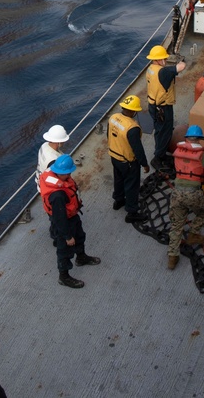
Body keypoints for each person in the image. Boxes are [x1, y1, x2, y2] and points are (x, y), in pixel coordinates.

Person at [39, 154, 101, 288]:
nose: (70, 174)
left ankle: (81, 257)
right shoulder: (57, 195)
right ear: (63, 173)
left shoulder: (57, 173)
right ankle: (64, 276)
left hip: (71, 216)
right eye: (68, 172)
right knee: (64, 250)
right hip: (64, 221)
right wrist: (67, 236)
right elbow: (59, 219)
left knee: (80, 236)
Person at [166, 125, 204, 270]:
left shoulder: (178, 152)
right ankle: (193, 234)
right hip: (193, 193)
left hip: (177, 193)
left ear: (186, 138)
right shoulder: (203, 155)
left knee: (176, 225)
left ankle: (172, 257)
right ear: (199, 139)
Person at [107, 95, 150, 223]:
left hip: (114, 157)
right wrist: (144, 164)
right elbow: (138, 149)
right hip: (128, 162)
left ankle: (118, 201)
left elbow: (108, 136)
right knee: (132, 185)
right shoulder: (132, 128)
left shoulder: (113, 118)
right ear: (133, 111)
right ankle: (132, 212)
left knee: (118, 179)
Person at [146, 45, 186, 169]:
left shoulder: (150, 69)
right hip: (163, 108)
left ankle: (161, 153)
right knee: (165, 132)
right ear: (158, 60)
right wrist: (181, 62)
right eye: (164, 58)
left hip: (153, 105)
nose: (165, 60)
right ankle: (158, 158)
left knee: (159, 130)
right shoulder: (163, 72)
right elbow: (181, 67)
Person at [35, 124, 69, 189]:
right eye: (63, 141)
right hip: (48, 186)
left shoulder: (44, 145)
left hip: (40, 180)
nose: (64, 142)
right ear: (58, 142)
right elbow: (60, 177)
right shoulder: (53, 160)